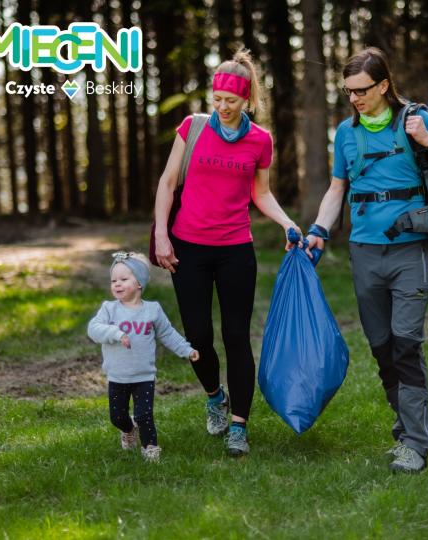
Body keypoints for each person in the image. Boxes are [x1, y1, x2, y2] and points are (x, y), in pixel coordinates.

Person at [304, 48, 428, 473]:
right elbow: (337, 189)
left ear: (383, 85)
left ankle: (416, 444)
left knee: (406, 344)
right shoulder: (346, 133)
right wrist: (319, 229)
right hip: (364, 252)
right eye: (348, 92)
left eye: (362, 90)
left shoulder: (414, 119)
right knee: (382, 348)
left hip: (408, 251)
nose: (355, 99)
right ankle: (405, 432)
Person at [153, 48, 300, 457]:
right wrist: (162, 235)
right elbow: (167, 183)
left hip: (235, 249)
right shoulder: (193, 128)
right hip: (188, 248)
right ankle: (215, 396)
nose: (222, 107)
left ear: (246, 98)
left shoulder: (260, 140)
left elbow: (261, 193)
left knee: (237, 337)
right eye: (216, 99)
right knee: (198, 335)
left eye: (231, 100)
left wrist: (287, 222)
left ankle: (239, 426)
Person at [87, 251, 200, 462]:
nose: (117, 284)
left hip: (144, 375)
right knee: (117, 417)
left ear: (139, 283)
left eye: (123, 279)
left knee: (144, 415)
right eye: (113, 280)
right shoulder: (109, 309)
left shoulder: (152, 310)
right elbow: (93, 329)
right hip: (118, 375)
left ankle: (151, 448)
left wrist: (186, 350)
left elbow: (167, 334)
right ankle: (129, 429)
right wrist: (116, 333)